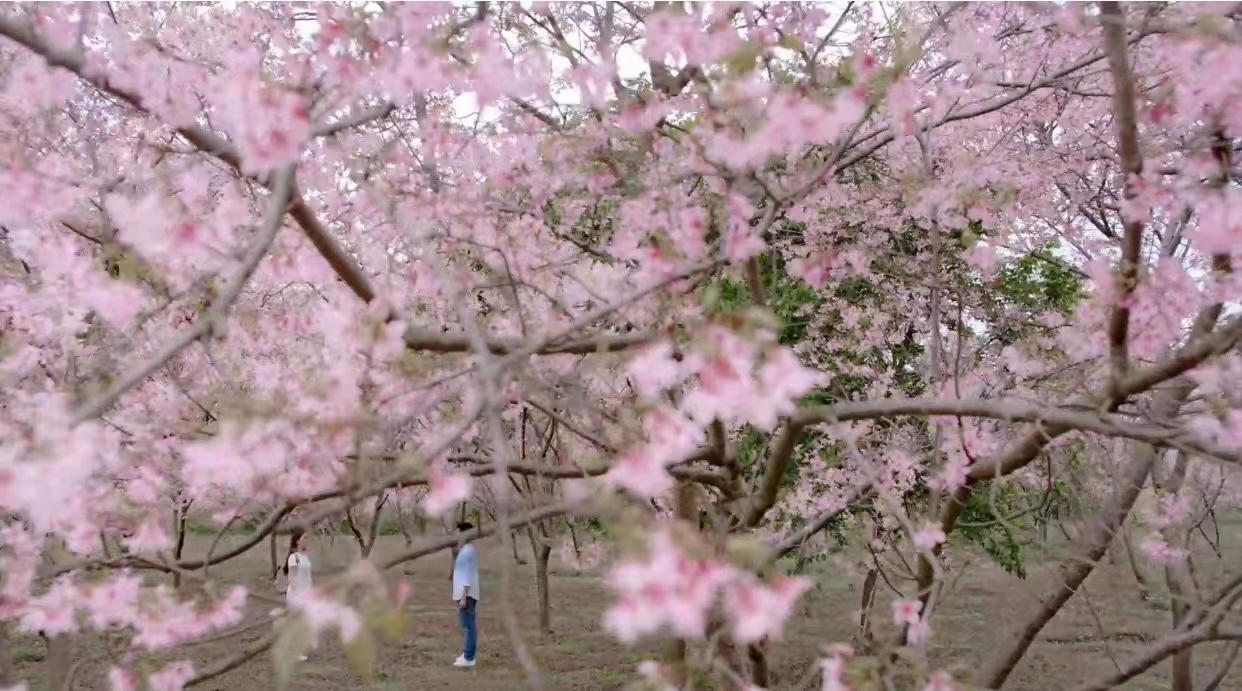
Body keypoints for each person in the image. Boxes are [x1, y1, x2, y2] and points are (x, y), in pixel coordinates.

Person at [452, 521, 479, 668]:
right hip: (465, 593)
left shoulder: (468, 551)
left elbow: (468, 574)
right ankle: (468, 654)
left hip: (467, 594)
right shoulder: (466, 550)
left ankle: (468, 657)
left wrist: (463, 596)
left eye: (458, 534)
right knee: (466, 624)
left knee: (468, 626)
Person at [284, 531, 312, 662]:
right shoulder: (293, 557)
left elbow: (307, 577)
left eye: (307, 537)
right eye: (304, 537)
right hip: (296, 594)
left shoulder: (305, 556)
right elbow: (292, 578)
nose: (307, 540)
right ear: (297, 541)